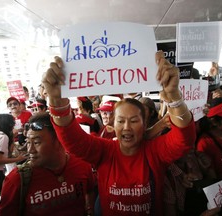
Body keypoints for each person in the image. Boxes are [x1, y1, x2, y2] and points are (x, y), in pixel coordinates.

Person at [41, 51, 196, 215]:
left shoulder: (155, 151)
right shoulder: (104, 151)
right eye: (121, 121)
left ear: (145, 125)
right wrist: (57, 102)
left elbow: (184, 139)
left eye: (134, 121)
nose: (127, 127)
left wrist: (175, 97)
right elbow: (72, 140)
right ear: (113, 125)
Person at [0, 112, 95, 216]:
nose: (30, 150)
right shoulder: (16, 180)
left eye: (36, 143)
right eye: (28, 142)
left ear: (59, 141)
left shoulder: (82, 165)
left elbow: (90, 191)